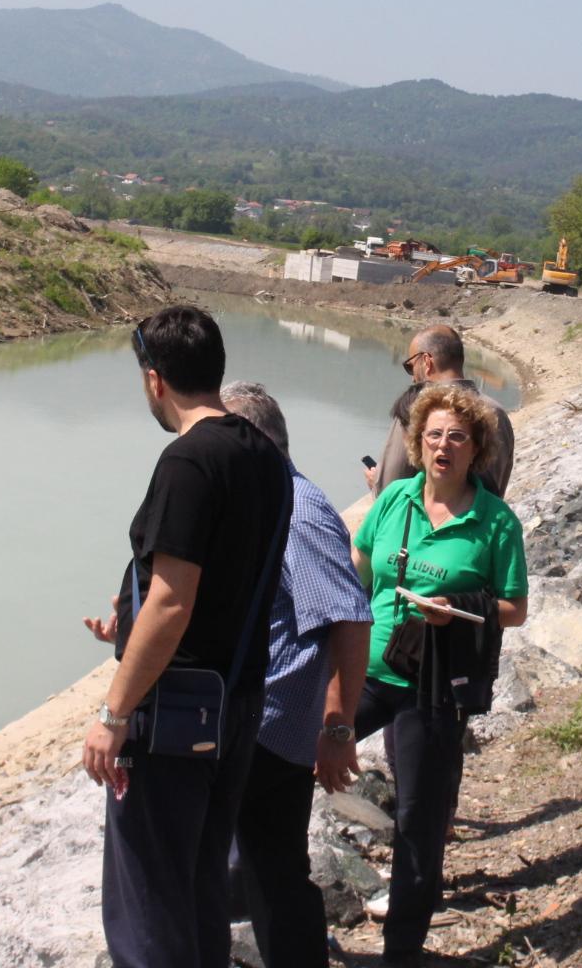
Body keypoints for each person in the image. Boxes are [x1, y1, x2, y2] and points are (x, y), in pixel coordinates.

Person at [79, 307, 295, 968]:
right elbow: (234, 579)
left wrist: (114, 714)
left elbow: (173, 602)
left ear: (154, 380)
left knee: (148, 898)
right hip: (237, 703)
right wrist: (130, 618)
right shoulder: (265, 455)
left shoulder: (188, 461)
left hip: (173, 714)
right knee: (200, 886)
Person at [350, 384, 529, 965]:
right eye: (433, 436)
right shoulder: (396, 497)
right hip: (369, 670)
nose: (443, 446)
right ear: (417, 443)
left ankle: (401, 951)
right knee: (289, 758)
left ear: (475, 449)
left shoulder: (495, 521)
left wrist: (457, 610)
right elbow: (360, 563)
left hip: (431, 687)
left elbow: (514, 608)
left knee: (418, 823)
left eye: (456, 437)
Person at [220, 383, 374, 968]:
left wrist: (336, 728)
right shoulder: (266, 501)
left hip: (274, 725)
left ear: (252, 441)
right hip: (262, 720)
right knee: (265, 866)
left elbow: (349, 619)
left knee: (275, 873)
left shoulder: (300, 513)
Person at [365, 323, 515, 498]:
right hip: (484, 523)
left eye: (410, 366)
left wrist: (375, 483)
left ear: (427, 362)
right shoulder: (497, 413)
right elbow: (497, 486)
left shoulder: (418, 408)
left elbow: (389, 488)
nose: (413, 377)